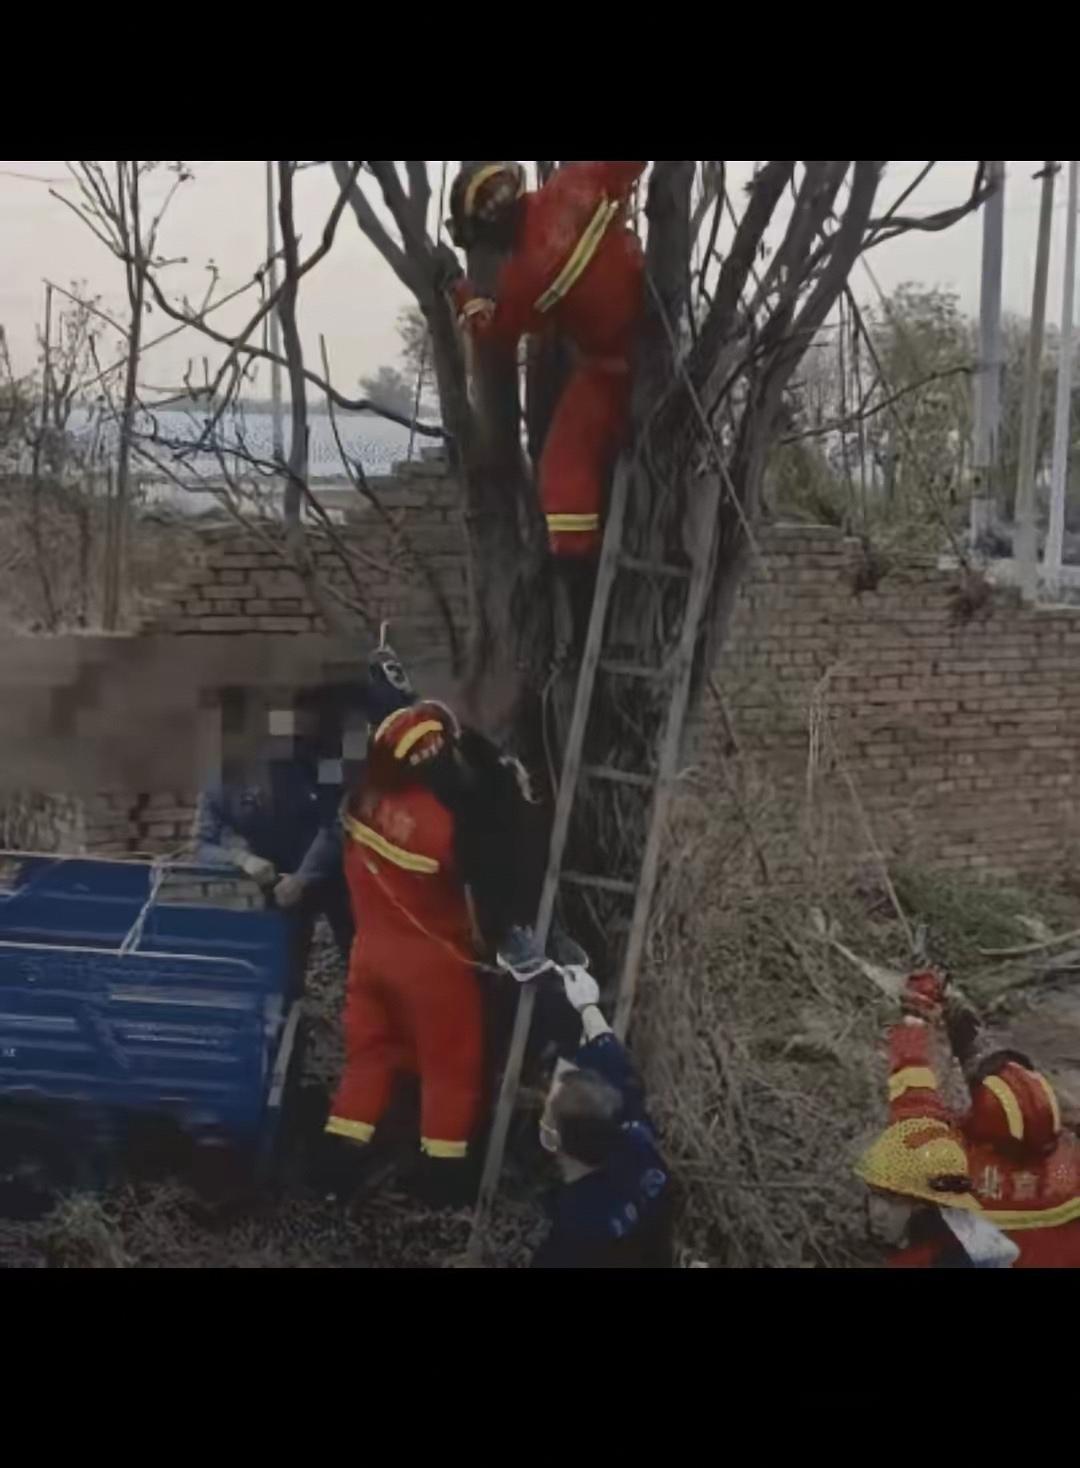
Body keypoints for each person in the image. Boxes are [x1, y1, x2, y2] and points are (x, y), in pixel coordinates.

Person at [320, 693, 547, 1208]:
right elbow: (489, 874)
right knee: (450, 1071)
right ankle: (441, 1188)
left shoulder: (363, 797)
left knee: (369, 1061)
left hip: (369, 956)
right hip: (433, 967)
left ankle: (334, 1168)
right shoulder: (440, 824)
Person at [448, 160, 647, 562]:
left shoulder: (523, 278)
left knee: (563, 463)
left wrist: (462, 293)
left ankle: (575, 560)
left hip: (608, 369)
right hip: (649, 338)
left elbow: (496, 332)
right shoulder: (576, 183)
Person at [854, 965, 1075, 1267]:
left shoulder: (954, 1163)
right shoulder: (1067, 1169)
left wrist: (916, 1012)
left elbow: (913, 1087)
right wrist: (959, 1019)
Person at [194, 694, 353, 990]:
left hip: (333, 874)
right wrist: (242, 859)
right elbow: (201, 846)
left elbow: (336, 820)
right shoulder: (217, 783)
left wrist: (304, 878)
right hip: (279, 889)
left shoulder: (308, 759)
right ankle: (292, 1028)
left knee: (360, 963)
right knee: (283, 977)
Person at [531, 961, 674, 1269]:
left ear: (556, 1140)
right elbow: (615, 1062)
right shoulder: (639, 1142)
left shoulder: (576, 1230)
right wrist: (587, 1006)